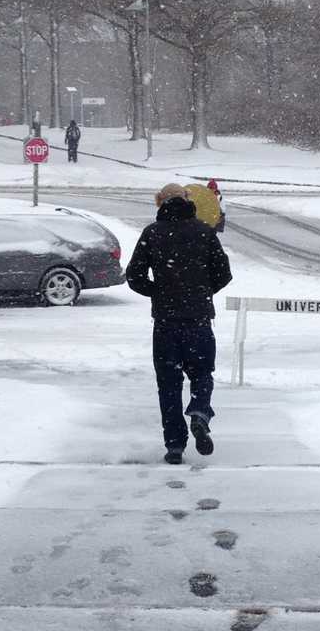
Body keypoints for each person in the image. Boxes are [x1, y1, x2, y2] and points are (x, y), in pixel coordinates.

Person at [126, 183, 232, 465]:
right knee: (201, 373)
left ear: (160, 202)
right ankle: (199, 411)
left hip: (165, 324)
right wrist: (200, 291)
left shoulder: (153, 233)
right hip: (198, 320)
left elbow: (134, 276)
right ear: (188, 201)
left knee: (169, 385)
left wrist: (159, 292)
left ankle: (174, 445)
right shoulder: (204, 233)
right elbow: (224, 273)